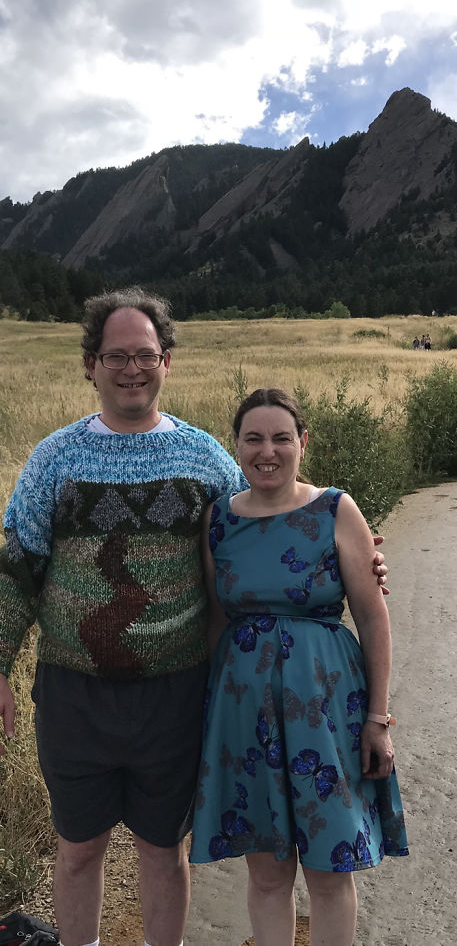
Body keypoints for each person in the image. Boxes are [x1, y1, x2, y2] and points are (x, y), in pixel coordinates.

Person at [0, 288, 388, 946]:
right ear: (90, 363)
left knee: (161, 851)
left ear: (167, 361)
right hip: (73, 697)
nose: (131, 368)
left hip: (177, 696)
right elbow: (15, 569)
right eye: (116, 355)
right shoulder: (53, 459)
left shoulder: (205, 457)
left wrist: (357, 548)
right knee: (78, 850)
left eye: (145, 354)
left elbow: (271, 507)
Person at [190, 388, 408, 946]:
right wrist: (210, 720)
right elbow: (217, 623)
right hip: (244, 714)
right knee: (266, 874)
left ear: (302, 443)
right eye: (254, 438)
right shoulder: (218, 520)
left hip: (328, 709)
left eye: (281, 438)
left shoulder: (335, 509)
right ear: (235, 445)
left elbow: (372, 617)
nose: (268, 451)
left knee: (330, 867)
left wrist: (378, 720)